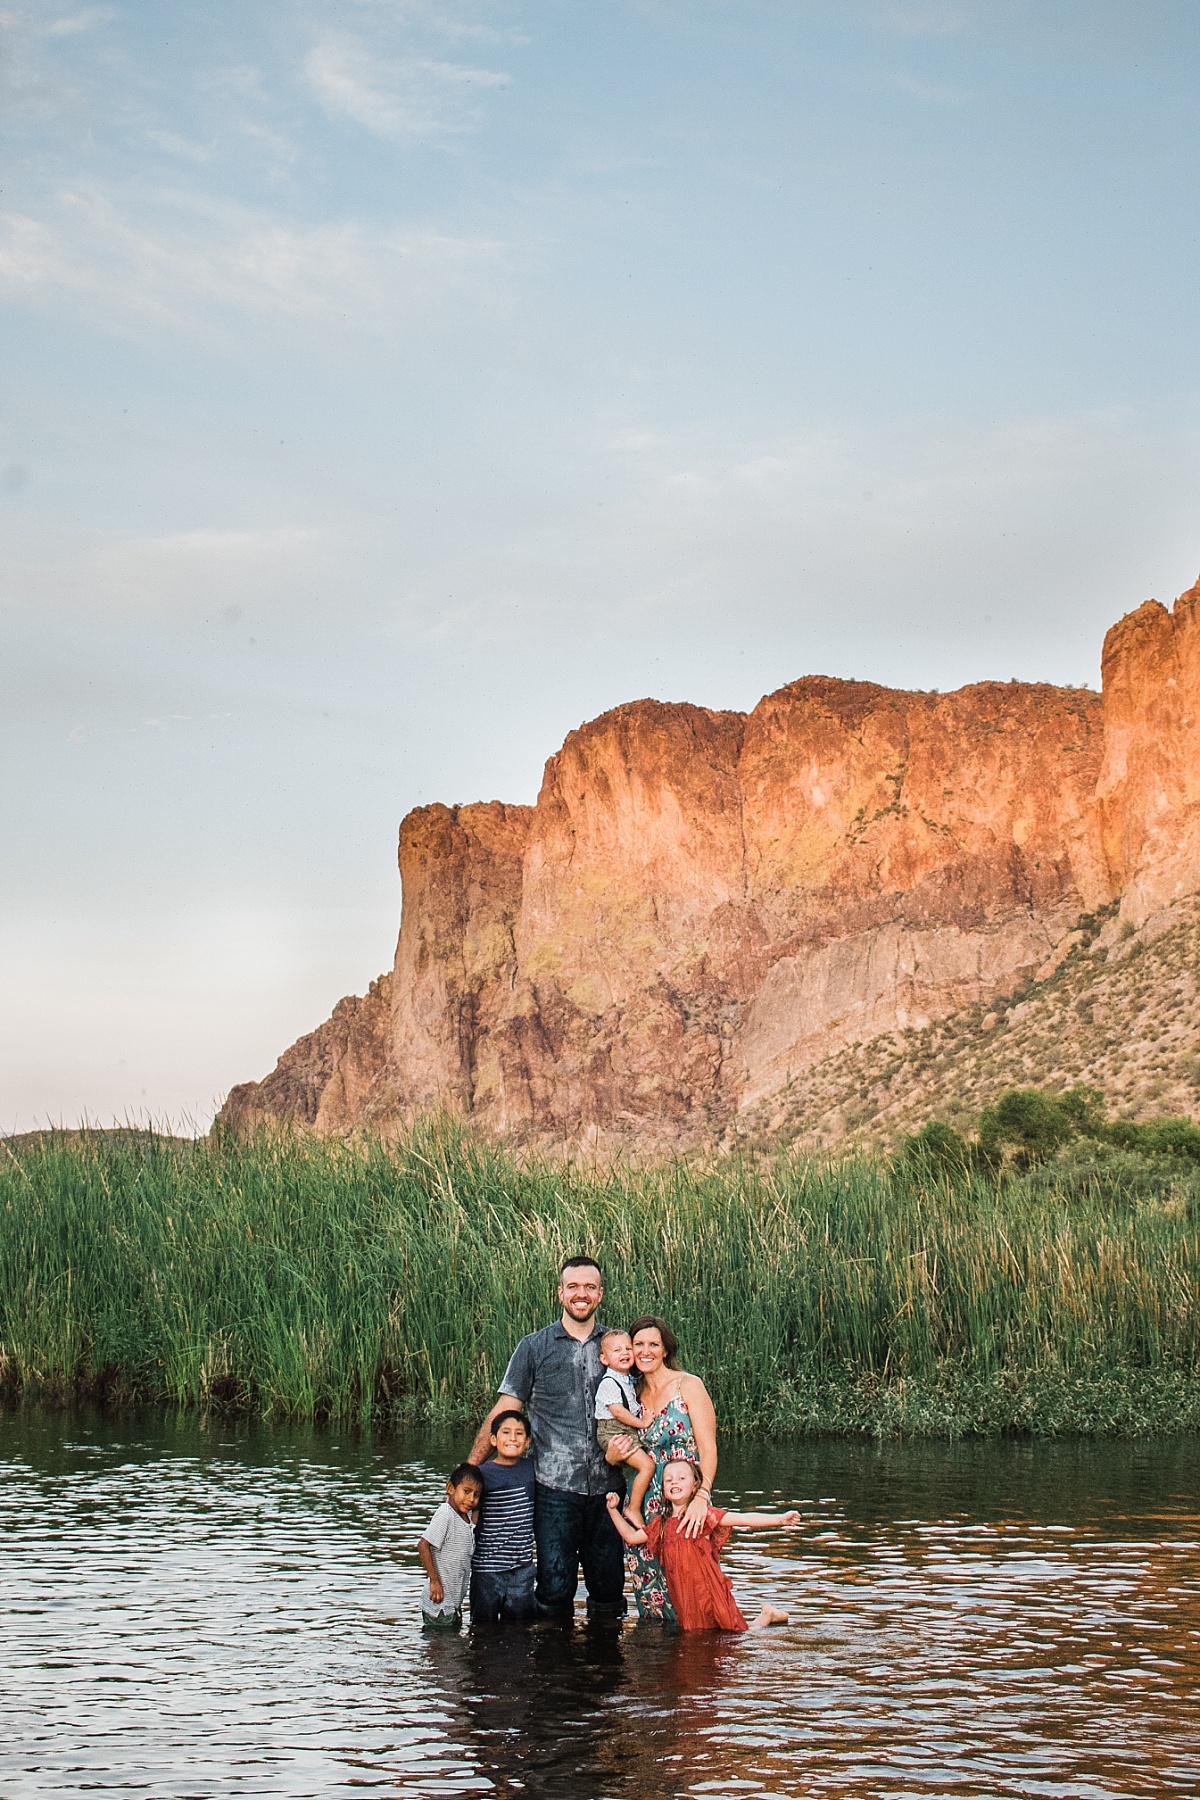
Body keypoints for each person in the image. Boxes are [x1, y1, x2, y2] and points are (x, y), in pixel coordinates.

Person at [469, 1256, 625, 1621]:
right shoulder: (534, 1347)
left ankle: (606, 1674)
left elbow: (647, 1395)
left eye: (589, 1287)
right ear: (560, 1293)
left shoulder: (618, 1346)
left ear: (600, 1294)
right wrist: (469, 1472)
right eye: (573, 1287)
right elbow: (504, 1409)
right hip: (553, 1489)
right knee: (554, 1589)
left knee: (608, 1588)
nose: (581, 1294)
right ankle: (553, 1672)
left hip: (610, 1489)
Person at [606, 1458, 799, 1631]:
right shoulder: (661, 1524)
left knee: (732, 1633)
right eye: (669, 1479)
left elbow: (742, 1518)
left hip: (708, 1588)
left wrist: (780, 1519)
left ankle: (766, 1617)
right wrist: (613, 1510)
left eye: (682, 1478)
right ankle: (765, 1617)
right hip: (684, 1593)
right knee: (703, 1635)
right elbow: (631, 1537)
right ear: (663, 1488)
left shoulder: (701, 1515)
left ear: (695, 1484)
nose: (675, 1481)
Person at [621, 1315, 720, 1623]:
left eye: (654, 1344)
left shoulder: (688, 1385)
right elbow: (617, 1448)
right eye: (639, 1344)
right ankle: (659, 1665)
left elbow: (708, 1448)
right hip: (645, 1502)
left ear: (665, 1350)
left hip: (685, 1500)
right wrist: (619, 1451)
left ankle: (705, 1661)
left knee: (695, 1586)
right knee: (650, 1592)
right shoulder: (630, 1392)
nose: (646, 1351)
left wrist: (702, 1496)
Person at [470, 1409, 537, 1624]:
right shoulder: (483, 1473)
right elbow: (472, 1517)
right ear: (493, 1439)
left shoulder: (532, 1469)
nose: (512, 1439)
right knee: (483, 1627)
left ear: (527, 1441)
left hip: (522, 1568)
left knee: (520, 1629)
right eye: (506, 1432)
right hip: (487, 1568)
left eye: (519, 1434)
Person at [594, 1329, 656, 1529]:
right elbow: (619, 1412)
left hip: (623, 1430)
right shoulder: (610, 1382)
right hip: (613, 1431)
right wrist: (643, 1423)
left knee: (646, 1464)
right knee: (647, 1466)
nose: (625, 1353)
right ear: (604, 1359)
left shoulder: (627, 1379)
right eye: (617, 1350)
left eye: (628, 1348)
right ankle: (633, 1508)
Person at [419, 1462, 484, 1630]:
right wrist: (434, 1580)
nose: (471, 1499)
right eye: (467, 1492)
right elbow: (423, 1545)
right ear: (450, 1488)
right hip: (439, 1602)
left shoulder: (465, 1518)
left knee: (452, 1647)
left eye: (476, 1495)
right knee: (441, 1647)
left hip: (452, 1603)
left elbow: (474, 1520)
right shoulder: (446, 1514)